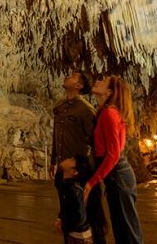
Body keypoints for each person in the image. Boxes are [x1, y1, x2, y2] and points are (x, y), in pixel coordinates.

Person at [83, 76, 144, 244]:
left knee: (128, 230)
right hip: (116, 174)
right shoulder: (106, 112)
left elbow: (113, 154)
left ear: (109, 92)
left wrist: (92, 182)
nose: (97, 81)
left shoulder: (109, 113)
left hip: (118, 173)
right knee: (122, 228)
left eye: (103, 81)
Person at [50, 71, 106, 244]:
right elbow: (56, 134)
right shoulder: (60, 105)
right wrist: (53, 160)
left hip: (80, 172)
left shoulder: (86, 110)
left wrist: (93, 176)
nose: (67, 76)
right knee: (67, 214)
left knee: (89, 216)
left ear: (79, 86)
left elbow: (95, 142)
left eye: (73, 76)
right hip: (63, 169)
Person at [56, 155, 95, 244]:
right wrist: (60, 218)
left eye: (71, 159)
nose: (67, 158)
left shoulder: (75, 190)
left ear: (74, 171)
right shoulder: (65, 185)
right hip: (73, 234)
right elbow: (65, 206)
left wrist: (65, 227)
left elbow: (80, 217)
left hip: (80, 237)